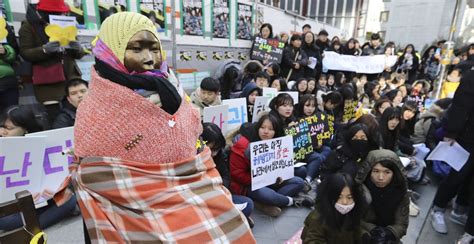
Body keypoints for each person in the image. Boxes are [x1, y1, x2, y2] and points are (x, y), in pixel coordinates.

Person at [55, 12, 255, 243]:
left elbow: (194, 142)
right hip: (130, 214)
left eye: (154, 48)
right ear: (111, 52)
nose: (150, 58)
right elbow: (96, 175)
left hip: (191, 192)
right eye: (136, 48)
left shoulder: (172, 85)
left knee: (234, 227)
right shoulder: (95, 110)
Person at [0, 105, 79, 231]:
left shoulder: (43, 145)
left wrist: (49, 193)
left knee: (68, 201)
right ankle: (33, 225)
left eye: (9, 128)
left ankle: (31, 227)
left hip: (41, 200)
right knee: (3, 221)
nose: (3, 132)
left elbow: (55, 178)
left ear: (25, 129)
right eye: (1, 127)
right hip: (11, 206)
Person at [229, 114, 313, 217]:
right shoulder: (242, 145)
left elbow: (280, 165)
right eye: (262, 127)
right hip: (250, 184)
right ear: (257, 128)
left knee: (299, 182)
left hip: (270, 180)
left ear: (276, 132)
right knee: (264, 194)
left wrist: (280, 175)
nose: (266, 132)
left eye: (270, 129)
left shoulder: (278, 143)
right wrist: (261, 178)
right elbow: (237, 174)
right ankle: (292, 201)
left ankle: (270, 201)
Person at [19, 0, 85, 122]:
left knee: (81, 117)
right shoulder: (29, 27)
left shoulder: (65, 24)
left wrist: (78, 49)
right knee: (55, 119)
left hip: (71, 78)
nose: (59, 16)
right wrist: (45, 50)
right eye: (55, 13)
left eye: (61, 13)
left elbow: (78, 54)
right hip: (49, 82)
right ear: (42, 12)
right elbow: (25, 53)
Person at [431, 70, 474, 244]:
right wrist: (452, 131)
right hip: (467, 137)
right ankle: (438, 208)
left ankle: (461, 211)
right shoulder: (472, 76)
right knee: (458, 174)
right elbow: (460, 105)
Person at [201, 123, 255, 227]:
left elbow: (226, 176)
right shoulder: (193, 157)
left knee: (248, 204)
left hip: (221, 194)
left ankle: (233, 219)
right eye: (211, 149)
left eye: (217, 149)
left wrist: (221, 189)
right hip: (204, 200)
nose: (214, 153)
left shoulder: (220, 155)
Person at [355, 149, 409, 243]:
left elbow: (402, 224)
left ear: (394, 173)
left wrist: (389, 233)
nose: (380, 177)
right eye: (376, 171)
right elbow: (352, 220)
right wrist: (372, 230)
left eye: (387, 172)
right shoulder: (358, 191)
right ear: (368, 171)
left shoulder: (400, 192)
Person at [301, 173, 365, 244]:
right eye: (339, 197)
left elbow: (357, 236)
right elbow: (313, 240)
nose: (345, 202)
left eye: (349, 197)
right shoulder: (318, 218)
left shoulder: (354, 212)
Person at [0, 35, 18, 113]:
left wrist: (5, 51)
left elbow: (13, 53)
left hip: (7, 81)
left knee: (11, 112)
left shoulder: (2, 25)